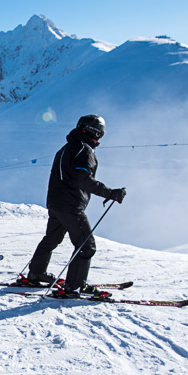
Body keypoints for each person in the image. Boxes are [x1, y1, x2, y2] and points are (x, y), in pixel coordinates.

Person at [26, 115, 127, 297]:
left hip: (56, 203)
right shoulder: (83, 149)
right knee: (86, 246)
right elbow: (82, 178)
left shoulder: (66, 148)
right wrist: (110, 192)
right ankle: (75, 286)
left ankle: (35, 273)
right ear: (95, 131)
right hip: (70, 205)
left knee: (52, 239)